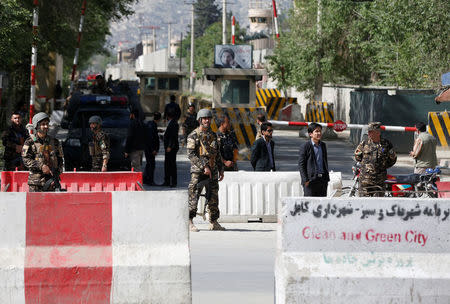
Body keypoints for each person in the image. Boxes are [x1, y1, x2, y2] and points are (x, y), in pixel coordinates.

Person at [187, 108, 225, 232]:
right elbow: (191, 154)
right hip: (198, 171)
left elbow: (217, 153)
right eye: (204, 119)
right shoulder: (194, 135)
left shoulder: (213, 135)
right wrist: (204, 166)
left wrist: (221, 168)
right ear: (200, 120)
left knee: (213, 196)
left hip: (212, 170)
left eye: (208, 118)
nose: (207, 120)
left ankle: (213, 222)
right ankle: (190, 221)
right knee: (194, 195)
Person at [22, 112, 64, 192]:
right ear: (36, 126)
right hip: (36, 184)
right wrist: (41, 166)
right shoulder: (30, 142)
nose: (46, 126)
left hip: (52, 183)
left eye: (47, 124)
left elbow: (60, 160)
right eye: (43, 124)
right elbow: (26, 159)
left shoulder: (54, 142)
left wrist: (56, 174)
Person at [354, 122, 397, 197]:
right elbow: (357, 156)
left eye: (371, 132)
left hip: (379, 181)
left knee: (378, 205)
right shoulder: (364, 143)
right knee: (363, 204)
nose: (368, 133)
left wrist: (382, 167)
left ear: (378, 132)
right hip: (365, 181)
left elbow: (392, 159)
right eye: (368, 131)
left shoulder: (386, 144)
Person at [298, 123, 330, 197]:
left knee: (322, 205)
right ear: (310, 134)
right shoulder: (305, 146)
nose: (319, 133)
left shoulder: (323, 145)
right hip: (310, 180)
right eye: (316, 131)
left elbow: (325, 162)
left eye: (320, 131)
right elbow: (301, 165)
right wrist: (305, 180)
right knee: (309, 205)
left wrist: (326, 179)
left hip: (322, 180)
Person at [162, 109, 179, 187]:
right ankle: (167, 180)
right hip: (170, 147)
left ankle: (173, 182)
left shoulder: (173, 124)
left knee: (171, 165)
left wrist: (169, 146)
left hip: (171, 148)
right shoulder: (172, 123)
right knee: (168, 164)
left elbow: (172, 137)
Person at [143, 112, 161, 185]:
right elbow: (151, 138)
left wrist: (158, 131)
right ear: (159, 119)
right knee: (151, 164)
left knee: (149, 164)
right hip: (150, 149)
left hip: (147, 147)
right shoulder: (152, 125)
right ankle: (150, 180)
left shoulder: (150, 123)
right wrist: (153, 149)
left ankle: (146, 179)